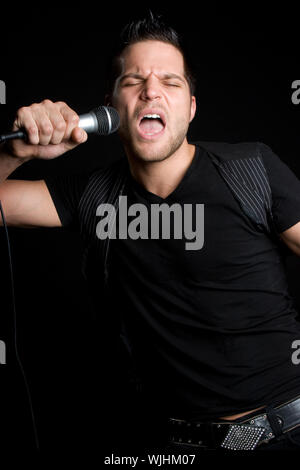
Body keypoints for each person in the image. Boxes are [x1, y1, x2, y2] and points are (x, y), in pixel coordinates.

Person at [1, 12, 300, 453]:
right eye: (133, 81)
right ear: (110, 108)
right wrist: (16, 152)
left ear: (191, 107)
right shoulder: (94, 195)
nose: (151, 90)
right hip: (174, 449)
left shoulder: (251, 169)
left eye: (171, 82)